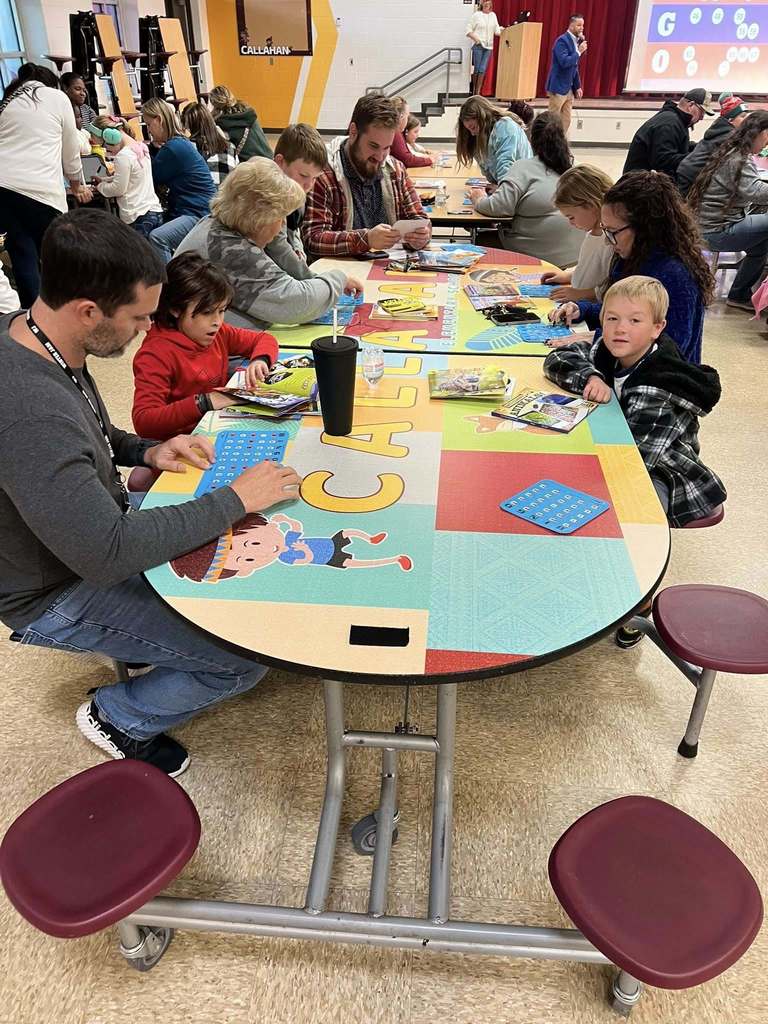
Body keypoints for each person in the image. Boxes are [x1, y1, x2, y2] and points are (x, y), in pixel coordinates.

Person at [0, 208, 302, 776]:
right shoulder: (28, 410)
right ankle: (119, 716)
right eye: (139, 317)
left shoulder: (37, 336)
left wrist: (145, 450)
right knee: (244, 655)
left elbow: (92, 430)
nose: (147, 328)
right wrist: (236, 499)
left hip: (92, 530)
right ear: (89, 311)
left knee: (243, 561)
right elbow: (106, 553)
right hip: (54, 590)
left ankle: (146, 646)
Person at [544, 275, 726, 529]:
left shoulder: (657, 387)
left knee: (630, 516)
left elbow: (631, 463)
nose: (620, 328)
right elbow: (558, 359)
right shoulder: (613, 350)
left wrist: (572, 460)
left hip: (665, 473)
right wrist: (591, 376)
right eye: (612, 318)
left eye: (635, 320)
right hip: (624, 446)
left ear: (657, 328)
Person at [549, 171, 714, 364]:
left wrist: (598, 338)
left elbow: (670, 348)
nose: (609, 242)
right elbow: (623, 311)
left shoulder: (675, 276)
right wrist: (581, 309)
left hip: (660, 384)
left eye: (612, 232)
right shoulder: (632, 256)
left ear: (645, 228)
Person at [177, 157, 355, 329]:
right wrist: (339, 278)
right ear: (260, 219)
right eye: (280, 218)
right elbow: (297, 302)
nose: (280, 228)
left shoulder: (219, 227)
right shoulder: (230, 248)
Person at [132, 252, 278, 440]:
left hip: (214, 429)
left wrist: (260, 360)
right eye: (207, 312)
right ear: (175, 309)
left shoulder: (219, 332)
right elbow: (144, 422)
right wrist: (204, 402)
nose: (217, 321)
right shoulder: (155, 355)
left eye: (222, 311)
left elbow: (264, 340)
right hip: (179, 445)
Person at [302, 93, 430, 261]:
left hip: (389, 269)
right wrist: (366, 239)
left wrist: (421, 236)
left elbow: (421, 219)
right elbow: (313, 239)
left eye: (387, 148)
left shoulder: (395, 170)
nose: (380, 156)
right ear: (353, 131)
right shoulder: (324, 173)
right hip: (344, 276)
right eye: (373, 146)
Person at [0, 69, 90, 308]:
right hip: (41, 192)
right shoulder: (56, 97)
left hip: (3, 189)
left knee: (23, 257)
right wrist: (77, 185)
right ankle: (67, 315)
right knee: (57, 259)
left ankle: (34, 322)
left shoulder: (9, 101)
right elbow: (71, 150)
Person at [467, 111, 582, 267]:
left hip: (536, 253)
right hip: (573, 253)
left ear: (531, 139)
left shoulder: (524, 167)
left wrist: (478, 197)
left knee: (480, 238)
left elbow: (498, 208)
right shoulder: (574, 170)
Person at [687, 110, 768, 313]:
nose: (767, 143)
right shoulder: (739, 159)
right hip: (717, 231)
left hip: (706, 226)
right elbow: (755, 192)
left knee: (762, 245)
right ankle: (741, 293)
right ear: (758, 133)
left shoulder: (731, 151)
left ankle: (740, 294)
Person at [142, 97, 217, 263]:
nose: (148, 131)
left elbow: (151, 175)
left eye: (148, 124)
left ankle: (172, 286)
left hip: (198, 213)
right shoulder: (180, 143)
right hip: (201, 209)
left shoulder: (173, 148)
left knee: (157, 237)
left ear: (159, 120)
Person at [542, 164, 614, 301]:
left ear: (590, 204)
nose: (571, 223)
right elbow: (590, 269)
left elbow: (613, 285)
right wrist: (568, 276)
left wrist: (582, 294)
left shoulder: (611, 239)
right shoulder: (594, 233)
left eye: (571, 217)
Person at [88, 116, 163, 237]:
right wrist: (105, 179)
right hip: (153, 211)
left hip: (137, 216)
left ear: (109, 136)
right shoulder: (141, 147)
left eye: (104, 145)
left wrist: (100, 187)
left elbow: (118, 189)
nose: (106, 149)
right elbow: (133, 178)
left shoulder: (123, 156)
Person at [273, 122, 330, 265]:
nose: (309, 185)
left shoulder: (296, 191)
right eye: (304, 175)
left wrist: (298, 250)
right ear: (280, 162)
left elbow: (293, 231)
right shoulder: (268, 200)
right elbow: (279, 251)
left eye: (315, 178)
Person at [623, 89, 714, 177]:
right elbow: (664, 160)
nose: (702, 117)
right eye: (702, 111)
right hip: (639, 185)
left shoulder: (675, 119)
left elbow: (676, 146)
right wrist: (697, 158)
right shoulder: (669, 124)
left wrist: (700, 147)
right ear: (691, 105)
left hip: (643, 180)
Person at [677, 93, 750, 196]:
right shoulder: (728, 136)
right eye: (742, 117)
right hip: (693, 176)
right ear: (730, 120)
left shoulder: (719, 129)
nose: (747, 120)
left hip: (688, 171)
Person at [456, 96, 532, 185]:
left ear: (483, 118)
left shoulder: (505, 126)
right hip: (510, 186)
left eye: (473, 127)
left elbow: (505, 164)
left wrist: (501, 189)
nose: (472, 133)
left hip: (522, 186)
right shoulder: (483, 135)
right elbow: (489, 171)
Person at [545, 13, 587, 135]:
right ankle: (547, 145)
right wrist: (579, 52)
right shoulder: (561, 41)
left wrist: (577, 86)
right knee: (552, 120)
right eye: (579, 25)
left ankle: (560, 147)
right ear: (571, 25)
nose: (581, 28)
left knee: (566, 120)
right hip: (558, 87)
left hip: (569, 89)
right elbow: (564, 62)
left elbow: (574, 67)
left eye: (582, 25)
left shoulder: (575, 41)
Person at [180, 101, 237, 186]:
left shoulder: (189, 147)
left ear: (188, 126)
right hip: (227, 195)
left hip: (203, 196)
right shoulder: (230, 147)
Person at [208, 84, 272, 159]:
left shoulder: (221, 124)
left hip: (249, 163)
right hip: (268, 158)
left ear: (214, 103)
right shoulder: (248, 113)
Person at [466, 0, 503, 96]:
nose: (487, 6)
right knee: (477, 68)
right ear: (482, 5)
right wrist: (476, 39)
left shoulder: (493, 15)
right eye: (485, 4)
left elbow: (497, 31)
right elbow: (468, 30)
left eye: (489, 4)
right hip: (478, 45)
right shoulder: (476, 15)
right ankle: (474, 92)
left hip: (488, 47)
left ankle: (477, 92)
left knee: (482, 69)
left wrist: (504, 30)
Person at [390, 96, 433, 168]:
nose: (408, 119)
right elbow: (407, 160)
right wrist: (430, 160)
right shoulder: (395, 132)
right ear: (401, 117)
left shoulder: (396, 131)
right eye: (407, 116)